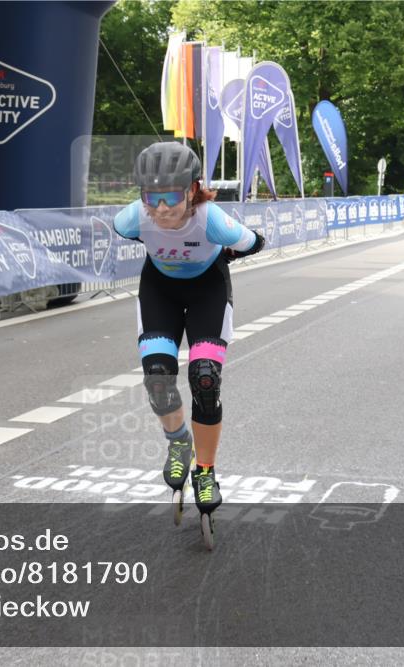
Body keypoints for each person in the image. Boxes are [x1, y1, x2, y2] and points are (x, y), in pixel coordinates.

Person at [113, 142, 265, 547]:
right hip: (159, 291)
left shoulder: (212, 220)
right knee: (158, 379)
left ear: (194, 189)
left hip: (207, 293)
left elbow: (255, 242)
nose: (161, 209)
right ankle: (178, 443)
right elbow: (123, 229)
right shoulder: (132, 218)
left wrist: (226, 253)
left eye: (172, 197)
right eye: (151, 197)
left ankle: (206, 470)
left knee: (204, 379)